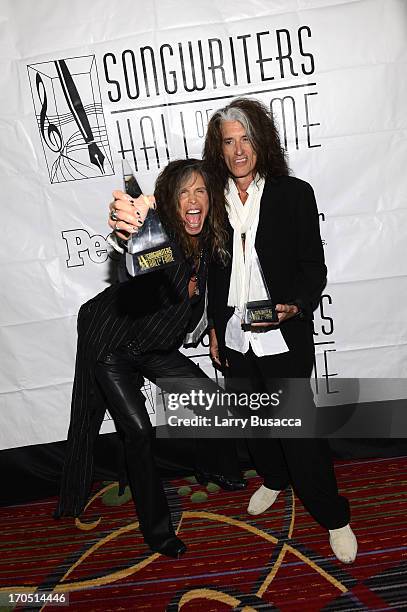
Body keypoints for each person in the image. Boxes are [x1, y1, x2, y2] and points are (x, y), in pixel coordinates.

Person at [56, 159, 245, 559]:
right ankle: (158, 533)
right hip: (112, 345)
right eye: (183, 193)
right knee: (136, 431)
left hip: (154, 346)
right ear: (169, 204)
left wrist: (213, 330)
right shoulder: (159, 239)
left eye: (200, 191)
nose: (193, 200)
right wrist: (130, 231)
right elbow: (137, 260)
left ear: (211, 199)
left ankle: (213, 467)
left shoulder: (211, 241)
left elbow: (211, 294)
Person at [202, 97, 357, 564]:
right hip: (235, 334)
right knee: (253, 423)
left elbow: (314, 267)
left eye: (245, 138)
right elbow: (211, 270)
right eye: (228, 142)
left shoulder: (294, 193)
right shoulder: (213, 198)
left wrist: (295, 306)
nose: (238, 150)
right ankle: (273, 478)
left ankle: (334, 517)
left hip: (283, 334)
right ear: (219, 151)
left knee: (297, 432)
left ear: (261, 141)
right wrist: (213, 325)